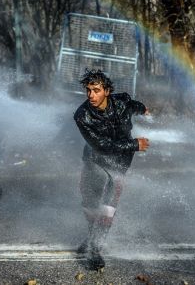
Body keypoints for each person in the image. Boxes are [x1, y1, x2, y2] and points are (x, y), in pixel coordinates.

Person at [73, 69, 149, 271]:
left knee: (109, 205)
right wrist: (135, 144)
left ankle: (94, 249)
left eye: (96, 90)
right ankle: (91, 238)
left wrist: (143, 109)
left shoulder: (122, 101)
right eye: (88, 90)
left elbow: (134, 105)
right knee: (90, 201)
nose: (91, 95)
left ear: (106, 91)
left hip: (120, 162)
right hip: (95, 160)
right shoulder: (82, 115)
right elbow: (102, 145)